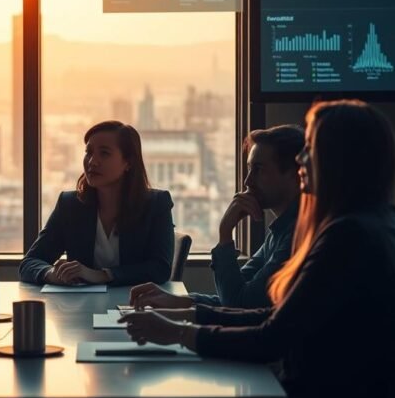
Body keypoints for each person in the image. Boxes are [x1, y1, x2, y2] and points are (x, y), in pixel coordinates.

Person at [120, 100, 395, 398]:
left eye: (309, 150)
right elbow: (279, 316)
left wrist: (177, 332)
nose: (301, 160)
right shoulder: (381, 225)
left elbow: (271, 339)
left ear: (338, 160)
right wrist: (184, 316)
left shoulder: (349, 236)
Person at [130, 125, 304, 309]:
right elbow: (232, 296)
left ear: (294, 175)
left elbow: (238, 304)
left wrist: (225, 232)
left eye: (258, 169)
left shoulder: (296, 236)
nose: (247, 181)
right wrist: (180, 301)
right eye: (249, 169)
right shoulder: (281, 231)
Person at [19, 120, 174, 287]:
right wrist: (51, 274)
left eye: (104, 153)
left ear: (128, 162)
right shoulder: (70, 205)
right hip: (82, 307)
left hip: (137, 305)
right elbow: (30, 263)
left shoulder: (156, 204)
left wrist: (101, 275)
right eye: (89, 153)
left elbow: (160, 269)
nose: (92, 161)